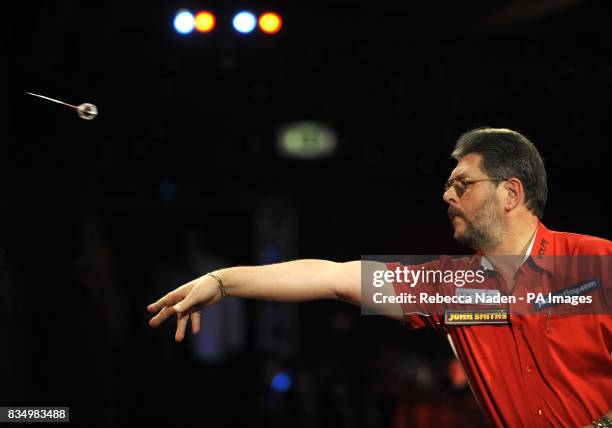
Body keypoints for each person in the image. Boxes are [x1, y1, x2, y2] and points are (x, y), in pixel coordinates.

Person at [147, 128, 611, 427]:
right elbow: (332, 276)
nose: (447, 194)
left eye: (462, 184)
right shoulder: (448, 287)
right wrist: (223, 281)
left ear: (511, 192)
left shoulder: (596, 265)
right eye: (450, 185)